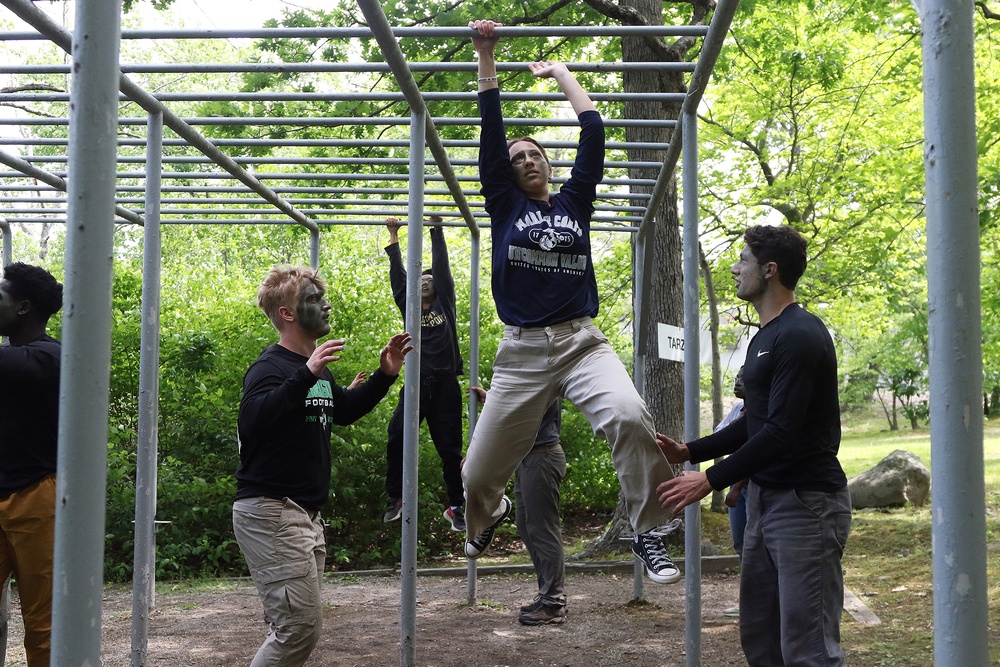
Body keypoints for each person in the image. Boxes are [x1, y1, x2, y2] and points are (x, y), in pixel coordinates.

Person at [464, 19, 680, 585]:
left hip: (583, 343)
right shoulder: (505, 207)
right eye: (517, 158)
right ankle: (491, 513)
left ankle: (648, 528)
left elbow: (593, 131)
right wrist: (486, 54)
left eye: (534, 153)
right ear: (506, 175)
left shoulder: (573, 203)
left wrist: (562, 73)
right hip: (522, 354)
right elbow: (490, 129)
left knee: (631, 415)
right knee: (476, 476)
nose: (527, 160)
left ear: (548, 164)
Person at [656, 225, 851, 666]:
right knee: (761, 638)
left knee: (809, 647)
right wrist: (689, 452)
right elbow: (754, 422)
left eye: (742, 260)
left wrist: (710, 479)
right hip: (765, 500)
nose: (734, 268)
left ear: (770, 270)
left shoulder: (800, 334)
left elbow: (782, 429)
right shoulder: (763, 337)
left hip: (807, 504)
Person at [233, 264, 412, 667]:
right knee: (297, 631)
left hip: (301, 514)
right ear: (288, 314)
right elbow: (253, 420)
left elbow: (343, 410)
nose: (326, 305)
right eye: (313, 299)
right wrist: (305, 374)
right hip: (271, 511)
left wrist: (384, 376)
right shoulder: (270, 367)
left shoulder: (315, 368)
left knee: (293, 627)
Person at [382, 216, 466, 530]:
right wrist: (393, 236)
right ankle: (395, 498)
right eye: (421, 278)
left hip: (445, 386)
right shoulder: (410, 305)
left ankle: (457, 506)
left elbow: (441, 268)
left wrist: (436, 230)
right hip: (417, 385)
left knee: (450, 450)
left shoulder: (445, 302)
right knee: (397, 436)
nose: (426, 280)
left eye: (430, 278)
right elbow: (398, 276)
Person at [0, 262, 63, 667]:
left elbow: (16, 367)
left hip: (35, 499)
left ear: (22, 308)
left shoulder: (50, 357)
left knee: (43, 622)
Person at [472, 387, 567, 625]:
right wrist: (491, 399)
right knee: (527, 526)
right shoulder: (529, 374)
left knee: (543, 528)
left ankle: (553, 603)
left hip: (542, 456)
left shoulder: (543, 373)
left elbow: (517, 410)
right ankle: (547, 595)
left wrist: (478, 455)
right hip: (527, 457)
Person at [715, 366, 746, 617]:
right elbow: (720, 435)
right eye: (736, 379)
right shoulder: (738, 410)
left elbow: (754, 453)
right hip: (736, 483)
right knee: (742, 545)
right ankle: (749, 601)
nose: (737, 383)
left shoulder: (763, 412)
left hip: (750, 486)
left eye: (743, 380)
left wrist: (736, 487)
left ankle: (760, 603)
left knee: (755, 546)